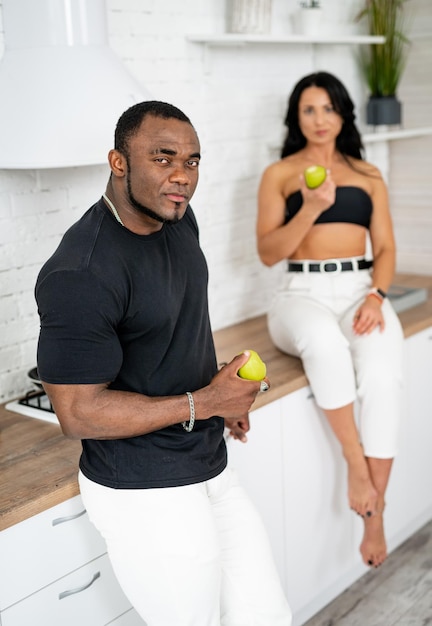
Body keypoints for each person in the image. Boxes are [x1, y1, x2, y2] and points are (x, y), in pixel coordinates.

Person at [35, 101, 292, 626]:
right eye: (164, 158)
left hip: (206, 459)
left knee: (266, 616)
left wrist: (222, 393)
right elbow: (77, 413)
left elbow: (176, 321)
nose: (182, 176)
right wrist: (206, 402)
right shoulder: (81, 271)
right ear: (119, 161)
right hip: (142, 488)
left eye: (192, 161)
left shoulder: (176, 217)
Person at [256, 72, 404, 569]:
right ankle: (355, 463)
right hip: (300, 293)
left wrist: (377, 296)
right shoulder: (280, 175)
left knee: (383, 375)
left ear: (343, 114)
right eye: (309, 110)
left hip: (361, 292)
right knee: (323, 343)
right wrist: (310, 208)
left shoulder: (368, 174)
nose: (319, 119)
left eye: (328, 108)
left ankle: (373, 514)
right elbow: (267, 252)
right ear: (296, 119)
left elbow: (384, 248)